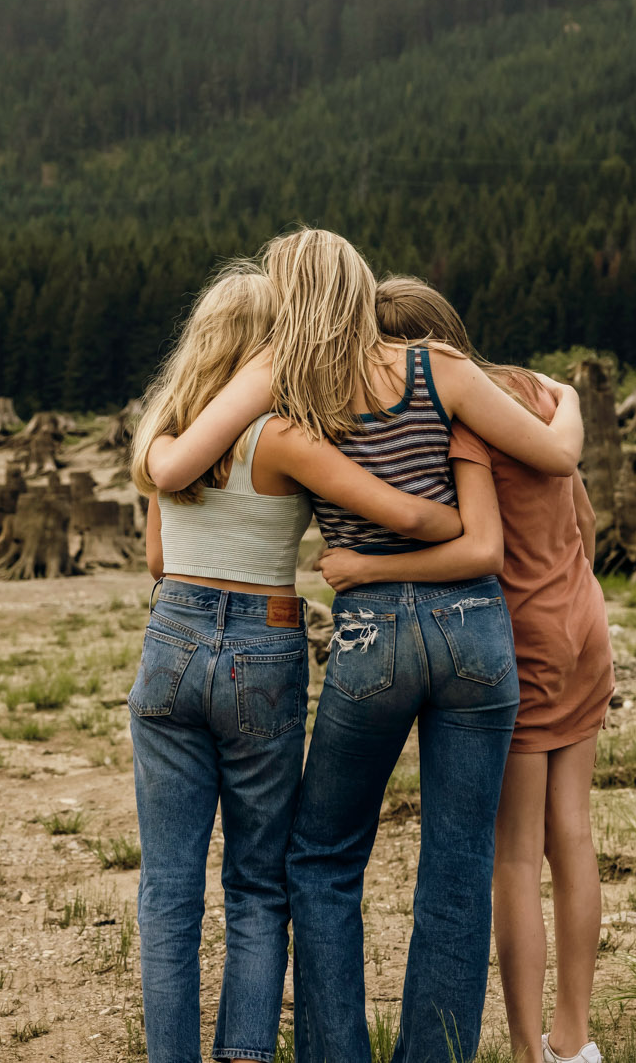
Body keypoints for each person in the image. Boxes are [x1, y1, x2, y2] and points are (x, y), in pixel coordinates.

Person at [169, 228, 583, 1063]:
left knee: (321, 857)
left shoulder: (283, 382)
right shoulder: (441, 370)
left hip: (373, 633)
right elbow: (556, 456)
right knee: (459, 866)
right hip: (475, 629)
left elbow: (179, 464)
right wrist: (566, 396)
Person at [127, 262, 467, 1063]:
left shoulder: (171, 434)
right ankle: (244, 1053)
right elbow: (403, 513)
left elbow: (155, 559)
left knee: (168, 890)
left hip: (171, 636)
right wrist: (457, 518)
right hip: (263, 649)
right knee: (256, 883)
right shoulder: (288, 436)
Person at [322, 277, 611, 1063]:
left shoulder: (456, 421)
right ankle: (575, 1040)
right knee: (574, 834)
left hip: (521, 636)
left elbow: (469, 539)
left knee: (515, 851)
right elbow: (582, 517)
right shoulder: (524, 395)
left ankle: (527, 1050)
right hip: (583, 621)